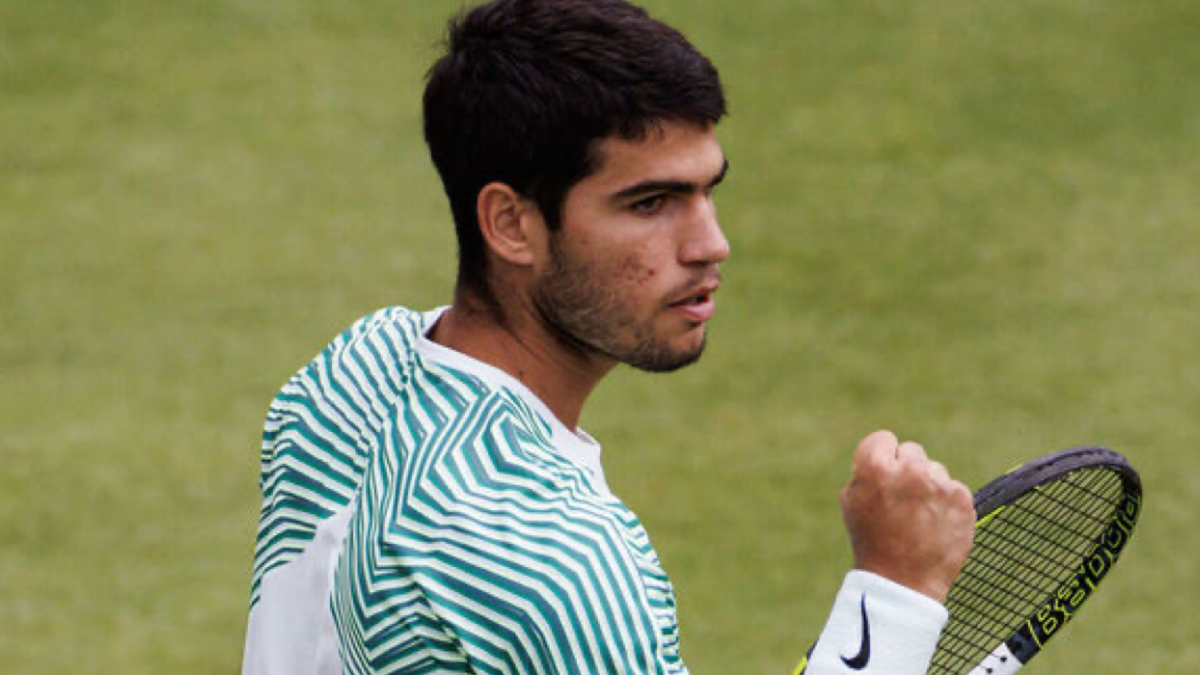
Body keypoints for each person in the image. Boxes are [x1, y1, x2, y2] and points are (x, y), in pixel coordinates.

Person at [241, 0, 976, 673]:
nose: (710, 243)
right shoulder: (560, 566)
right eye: (650, 202)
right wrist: (895, 593)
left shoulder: (349, 375)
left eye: (707, 190)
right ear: (510, 223)